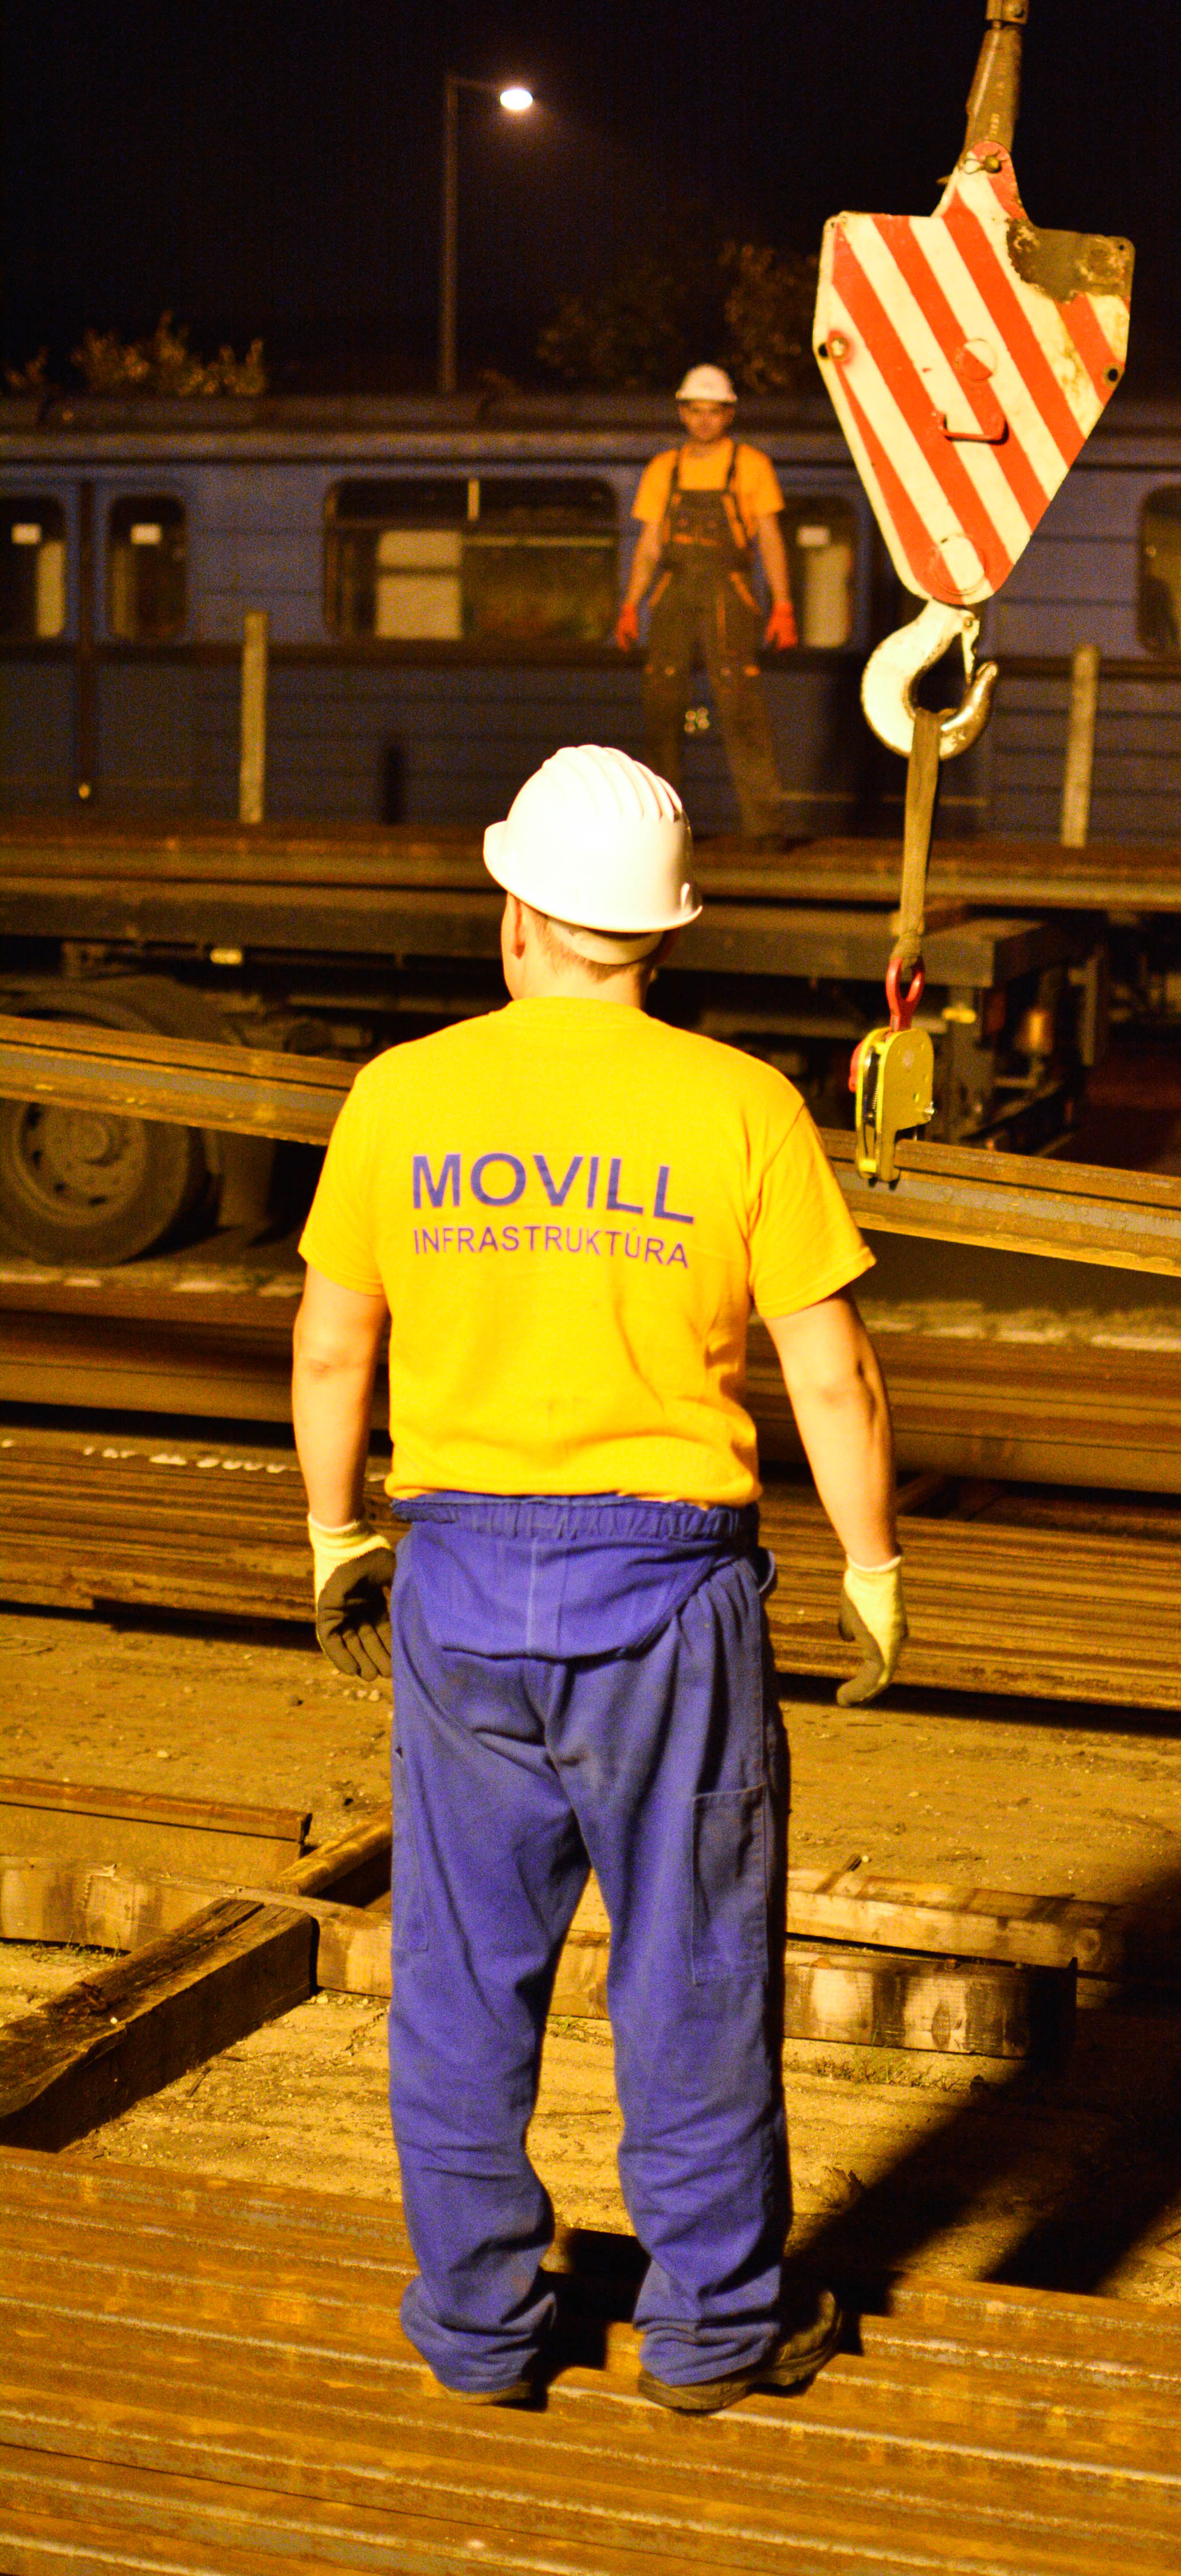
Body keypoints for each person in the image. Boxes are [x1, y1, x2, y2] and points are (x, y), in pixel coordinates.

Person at [291, 743, 907, 2414]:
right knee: (693, 1968)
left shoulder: (401, 1096)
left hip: (459, 1588)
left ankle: (483, 2322)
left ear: (515, 915)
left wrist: (338, 1534)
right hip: (669, 1606)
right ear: (664, 934)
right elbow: (834, 1376)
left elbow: (334, 1344)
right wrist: (870, 1566)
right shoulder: (740, 1106)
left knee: (460, 1975)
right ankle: (712, 2328)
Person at [613, 364, 798, 849]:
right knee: (662, 707)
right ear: (682, 412)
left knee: (741, 707)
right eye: (695, 411)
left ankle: (765, 829)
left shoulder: (751, 465)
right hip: (672, 592)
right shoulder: (663, 469)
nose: (704, 420)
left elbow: (771, 540)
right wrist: (631, 605)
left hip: (728, 593)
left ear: (729, 414)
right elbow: (649, 545)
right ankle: (660, 830)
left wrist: (783, 605)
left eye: (713, 411)